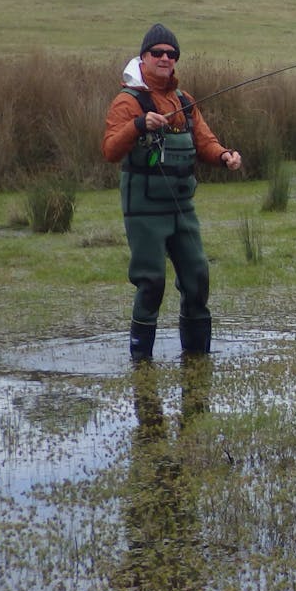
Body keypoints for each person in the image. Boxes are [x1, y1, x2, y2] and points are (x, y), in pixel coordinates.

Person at [102, 23, 242, 362]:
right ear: (143, 58)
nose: (165, 58)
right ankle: (141, 362)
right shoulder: (128, 101)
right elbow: (109, 150)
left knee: (197, 277)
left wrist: (224, 156)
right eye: (158, 53)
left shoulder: (184, 101)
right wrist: (138, 125)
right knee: (151, 283)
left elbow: (204, 140)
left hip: (182, 206)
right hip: (144, 209)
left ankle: (196, 360)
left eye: (171, 54)